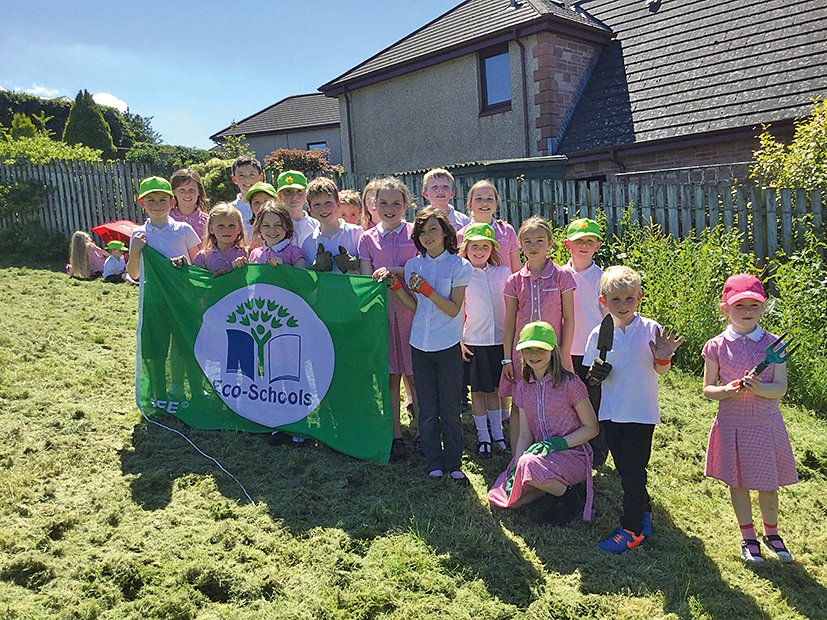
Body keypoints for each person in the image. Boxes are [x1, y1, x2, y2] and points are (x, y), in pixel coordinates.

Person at [583, 265, 684, 553]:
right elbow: (590, 377)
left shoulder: (651, 329)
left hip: (641, 412)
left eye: (629, 298)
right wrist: (595, 374)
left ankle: (632, 529)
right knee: (626, 468)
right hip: (611, 413)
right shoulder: (598, 334)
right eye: (615, 299)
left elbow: (660, 370)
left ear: (639, 297)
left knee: (632, 471)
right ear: (603, 301)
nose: (623, 304)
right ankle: (644, 511)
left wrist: (663, 357)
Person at [702, 274, 798, 563]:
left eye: (754, 305)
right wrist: (726, 391)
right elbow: (708, 389)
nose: (747, 311)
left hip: (766, 425)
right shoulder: (716, 346)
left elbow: (780, 388)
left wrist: (759, 389)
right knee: (739, 483)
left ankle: (772, 534)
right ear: (725, 309)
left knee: (768, 484)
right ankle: (748, 537)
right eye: (739, 305)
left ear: (763, 307)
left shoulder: (773, 344)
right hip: (733, 424)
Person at [388, 207, 472, 483]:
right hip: (419, 345)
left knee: (450, 408)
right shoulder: (413, 266)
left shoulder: (459, 266)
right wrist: (397, 288)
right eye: (422, 232)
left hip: (447, 346)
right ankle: (434, 461)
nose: (428, 236)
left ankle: (454, 462)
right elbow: (417, 306)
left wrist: (428, 290)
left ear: (446, 232)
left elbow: (453, 309)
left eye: (433, 229)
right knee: (426, 407)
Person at [488, 321, 598, 523]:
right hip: (539, 456)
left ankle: (569, 499)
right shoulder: (523, 387)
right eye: (528, 349)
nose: (534, 355)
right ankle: (553, 486)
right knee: (508, 499)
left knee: (528, 465)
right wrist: (516, 467)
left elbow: (592, 428)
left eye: (540, 349)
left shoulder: (570, 383)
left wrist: (558, 443)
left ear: (553, 350)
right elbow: (524, 434)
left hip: (574, 455)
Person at [500, 216, 576, 452]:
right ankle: (517, 460)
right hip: (522, 354)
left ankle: (555, 453)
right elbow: (509, 322)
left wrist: (564, 353)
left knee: (556, 400)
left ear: (550, 243)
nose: (534, 246)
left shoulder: (562, 276)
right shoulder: (514, 281)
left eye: (539, 241)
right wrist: (507, 359)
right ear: (520, 245)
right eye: (528, 241)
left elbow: (569, 318)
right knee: (519, 404)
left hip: (553, 352)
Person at [359, 177, 420, 461]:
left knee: (416, 378)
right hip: (383, 317)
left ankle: (423, 433)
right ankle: (396, 436)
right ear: (374, 205)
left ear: (406, 205)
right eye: (383, 202)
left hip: (414, 315)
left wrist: (394, 270)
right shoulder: (367, 238)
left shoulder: (416, 233)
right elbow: (365, 280)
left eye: (396, 203)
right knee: (391, 379)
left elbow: (424, 269)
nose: (390, 208)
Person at [127, 176, 201, 401]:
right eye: (151, 200)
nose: (157, 205)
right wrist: (135, 251)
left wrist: (184, 265)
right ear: (141, 203)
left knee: (187, 345)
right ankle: (158, 395)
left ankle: (197, 393)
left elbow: (198, 265)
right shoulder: (138, 234)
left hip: (182, 300)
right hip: (154, 300)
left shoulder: (184, 230)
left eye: (162, 199)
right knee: (156, 350)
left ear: (172, 202)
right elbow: (134, 274)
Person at [458, 222, 511, 459]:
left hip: (499, 341)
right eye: (474, 246)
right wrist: (460, 340)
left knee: (497, 390)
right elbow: (459, 310)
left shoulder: (503, 273)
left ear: (492, 249)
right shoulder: (462, 274)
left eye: (485, 247)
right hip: (474, 341)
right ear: (466, 248)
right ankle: (483, 437)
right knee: (478, 391)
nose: (479, 251)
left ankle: (498, 435)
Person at [560, 218, 609, 467]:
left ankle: (598, 452)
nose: (584, 245)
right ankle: (572, 448)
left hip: (592, 354)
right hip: (564, 350)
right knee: (568, 402)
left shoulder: (602, 278)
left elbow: (608, 319)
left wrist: (605, 353)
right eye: (578, 240)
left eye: (590, 241)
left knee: (593, 402)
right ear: (567, 244)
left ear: (598, 246)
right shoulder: (558, 274)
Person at [457, 180, 521, 272]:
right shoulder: (462, 234)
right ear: (470, 204)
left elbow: (517, 268)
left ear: (496, 205)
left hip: (504, 281)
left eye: (489, 199)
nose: (484, 202)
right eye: (479, 198)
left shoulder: (507, 230)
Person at [301, 177, 362, 274]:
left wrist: (356, 265)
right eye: (317, 204)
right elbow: (307, 279)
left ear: (338, 204)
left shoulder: (356, 233)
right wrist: (315, 269)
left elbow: (370, 267)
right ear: (311, 210)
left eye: (328, 203)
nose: (323, 208)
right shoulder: (308, 243)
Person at [192, 203, 248, 277]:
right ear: (211, 229)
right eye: (221, 226)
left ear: (239, 229)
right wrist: (213, 277)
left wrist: (245, 266)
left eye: (231, 225)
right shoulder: (203, 257)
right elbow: (196, 280)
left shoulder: (247, 253)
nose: (227, 230)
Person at [248, 202, 307, 268]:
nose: (272, 230)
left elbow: (301, 274)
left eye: (278, 225)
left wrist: (282, 267)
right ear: (259, 228)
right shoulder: (255, 254)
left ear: (287, 226)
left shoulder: (294, 252)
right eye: (266, 225)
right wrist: (241, 266)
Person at [276, 170, 319, 248]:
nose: (294, 196)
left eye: (299, 191)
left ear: (307, 193)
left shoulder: (316, 225)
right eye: (288, 191)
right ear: (280, 196)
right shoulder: (277, 225)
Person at [170, 168, 210, 241]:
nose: (187, 194)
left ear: (199, 191)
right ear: (174, 192)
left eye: (191, 190)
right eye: (182, 190)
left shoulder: (207, 221)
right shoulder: (167, 219)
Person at [228, 155, 263, 233]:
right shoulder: (230, 210)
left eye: (252, 174)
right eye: (241, 175)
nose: (247, 179)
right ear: (234, 179)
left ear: (260, 177)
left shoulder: (268, 205)